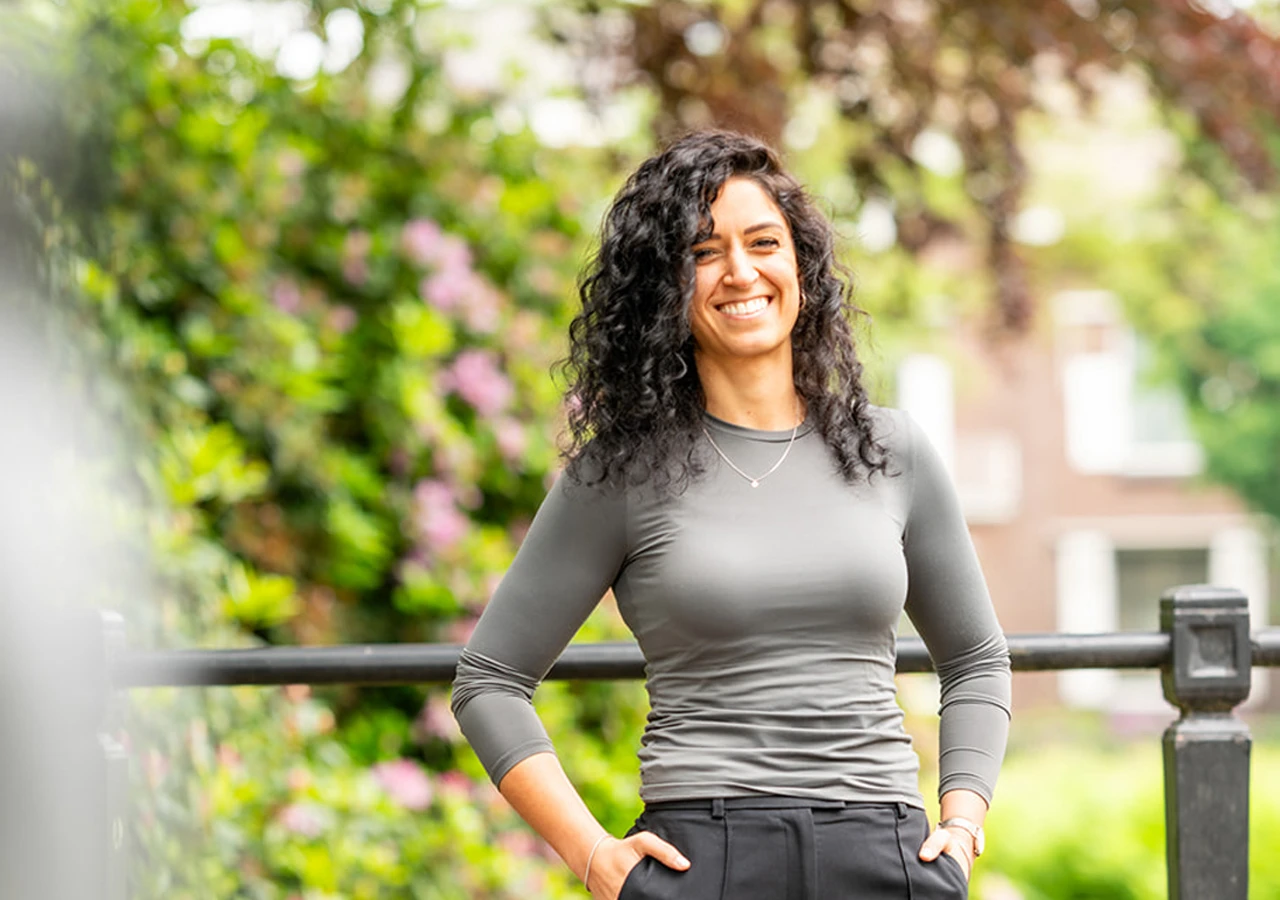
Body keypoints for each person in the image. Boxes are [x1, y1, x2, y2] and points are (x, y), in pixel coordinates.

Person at [451, 130, 1011, 899]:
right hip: (706, 860)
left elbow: (977, 657)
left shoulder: (891, 449)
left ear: (802, 268)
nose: (740, 271)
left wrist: (962, 819)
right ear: (664, 287)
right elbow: (489, 680)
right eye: (703, 252)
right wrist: (593, 857)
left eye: (763, 242)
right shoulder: (624, 469)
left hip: (885, 852)